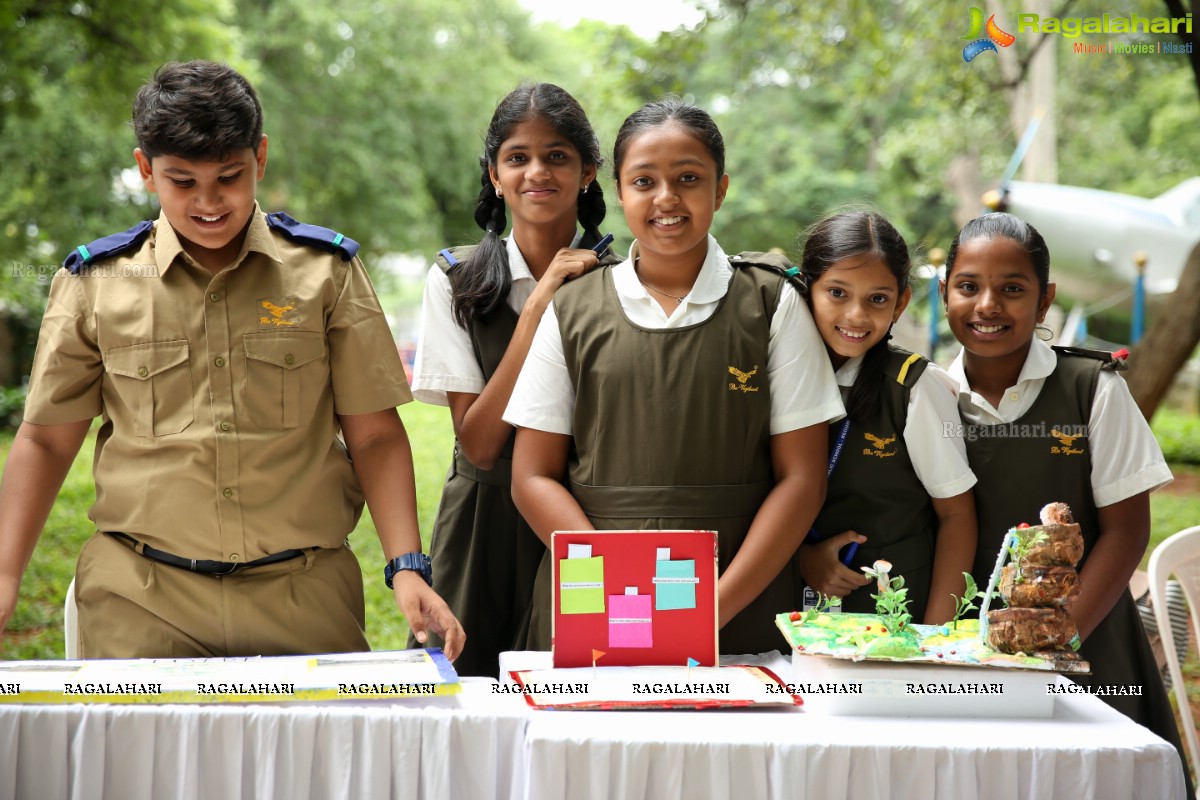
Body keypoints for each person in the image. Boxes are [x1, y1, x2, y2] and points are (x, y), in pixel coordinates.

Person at [0, 60, 464, 660]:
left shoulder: (327, 273)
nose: (209, 201)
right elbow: (46, 440)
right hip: (140, 599)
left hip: (303, 596)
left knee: (311, 758)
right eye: (182, 181)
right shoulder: (97, 283)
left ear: (260, 158)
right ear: (146, 169)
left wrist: (406, 566)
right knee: (138, 759)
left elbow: (374, 434)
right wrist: (7, 574)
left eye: (229, 176)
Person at [504, 98, 844, 655]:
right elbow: (532, 477)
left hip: (740, 597)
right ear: (619, 191)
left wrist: (709, 612)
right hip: (596, 597)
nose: (667, 198)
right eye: (645, 181)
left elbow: (802, 480)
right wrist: (615, 589)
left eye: (689, 178)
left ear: (721, 188)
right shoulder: (574, 308)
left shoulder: (771, 303)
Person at [942, 211, 1192, 792]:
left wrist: (1054, 643)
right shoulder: (927, 392)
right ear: (944, 290)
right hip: (965, 640)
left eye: (1012, 289)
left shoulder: (1091, 388)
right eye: (969, 286)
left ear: (1044, 298)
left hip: (1087, 639)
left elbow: (1127, 533)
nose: (988, 306)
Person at [409, 82, 615, 677]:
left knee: (584, 698)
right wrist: (538, 304)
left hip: (587, 517)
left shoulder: (623, 283)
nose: (537, 172)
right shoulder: (454, 280)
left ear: (588, 173)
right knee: (461, 701)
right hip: (483, 525)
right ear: (494, 175)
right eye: (517, 157)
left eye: (557, 156)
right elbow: (478, 442)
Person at [792, 211, 976, 624]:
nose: (857, 316)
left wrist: (934, 641)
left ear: (901, 302)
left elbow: (957, 516)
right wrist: (805, 558)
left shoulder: (915, 387)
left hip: (896, 623)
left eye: (877, 299)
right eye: (837, 293)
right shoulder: (777, 378)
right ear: (806, 288)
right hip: (790, 616)